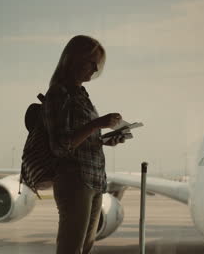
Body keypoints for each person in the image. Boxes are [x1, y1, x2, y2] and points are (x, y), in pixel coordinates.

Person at [43, 35, 125, 254]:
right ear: (75, 59)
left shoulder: (81, 94)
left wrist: (105, 140)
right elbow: (61, 145)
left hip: (93, 179)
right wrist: (99, 123)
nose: (96, 69)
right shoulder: (59, 93)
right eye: (92, 62)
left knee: (84, 247)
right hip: (75, 180)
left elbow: (81, 139)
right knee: (71, 248)